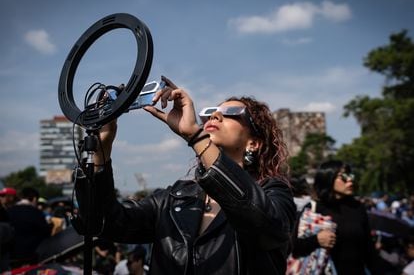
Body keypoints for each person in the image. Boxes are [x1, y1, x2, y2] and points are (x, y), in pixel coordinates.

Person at [74, 76, 296, 274]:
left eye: (231, 113)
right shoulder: (175, 198)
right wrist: (102, 149)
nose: (214, 115)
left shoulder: (273, 192)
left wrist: (196, 137)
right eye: (209, 112)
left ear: (254, 143)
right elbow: (103, 222)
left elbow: (268, 229)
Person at [291, 160, 379, 274]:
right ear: (328, 178)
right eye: (343, 176)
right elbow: (294, 247)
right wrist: (316, 240)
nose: (350, 179)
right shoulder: (313, 208)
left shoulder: (358, 208)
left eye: (350, 174)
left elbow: (369, 250)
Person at [7, 187, 52, 266]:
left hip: (11, 255)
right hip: (31, 255)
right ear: (34, 199)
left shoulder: (9, 211)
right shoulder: (36, 213)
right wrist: (51, 225)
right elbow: (46, 232)